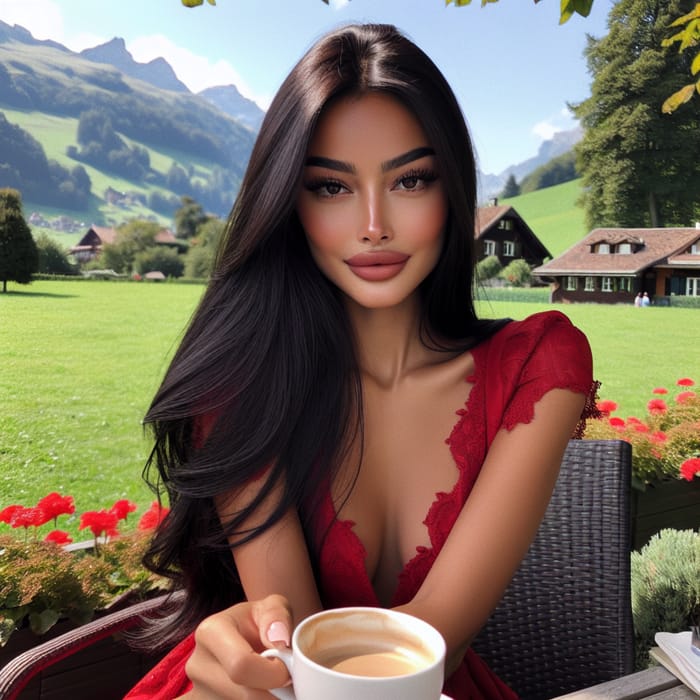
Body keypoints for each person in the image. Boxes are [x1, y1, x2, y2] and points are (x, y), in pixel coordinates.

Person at [125, 23, 599, 700]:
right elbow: (292, 647)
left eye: (410, 179)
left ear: (452, 188)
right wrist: (257, 649)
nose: (373, 223)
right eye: (330, 187)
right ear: (288, 203)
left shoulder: (538, 366)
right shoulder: (241, 383)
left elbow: (437, 641)